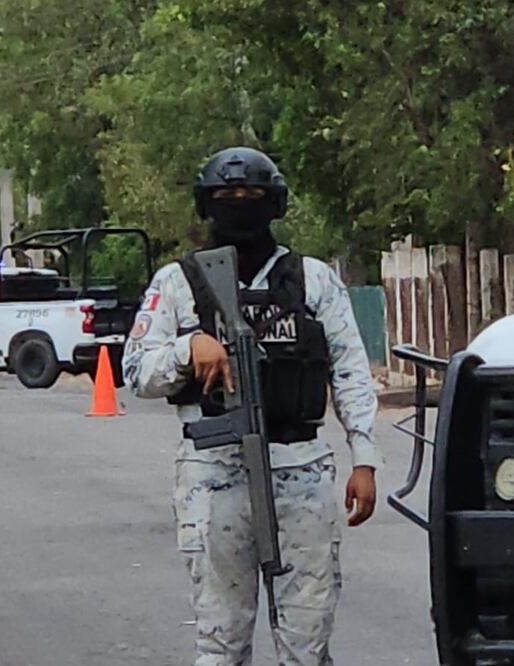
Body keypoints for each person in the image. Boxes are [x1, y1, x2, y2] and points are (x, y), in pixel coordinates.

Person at [122, 147, 381, 666]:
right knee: (221, 644)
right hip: (215, 475)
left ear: (274, 203)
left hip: (299, 469)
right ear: (206, 204)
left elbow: (350, 368)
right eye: (225, 196)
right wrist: (187, 348)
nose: (239, 204)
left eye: (252, 196)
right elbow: (137, 372)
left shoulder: (312, 280)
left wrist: (364, 456)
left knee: (306, 646)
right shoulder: (178, 282)